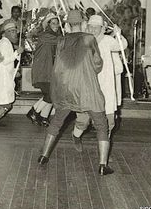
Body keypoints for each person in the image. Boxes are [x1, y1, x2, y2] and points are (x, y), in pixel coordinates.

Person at [37, 14, 114, 176]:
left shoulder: (61, 41)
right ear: (83, 23)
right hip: (87, 91)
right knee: (101, 125)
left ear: (67, 25)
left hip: (65, 90)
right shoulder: (89, 39)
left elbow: (59, 65)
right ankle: (102, 165)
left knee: (57, 122)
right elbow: (98, 65)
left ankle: (43, 156)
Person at [72, 15, 128, 146]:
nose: (93, 30)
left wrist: (118, 34)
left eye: (96, 27)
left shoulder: (108, 40)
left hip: (106, 86)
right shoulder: (83, 41)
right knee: (83, 119)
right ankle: (76, 136)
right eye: (90, 27)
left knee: (109, 120)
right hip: (88, 85)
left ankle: (104, 147)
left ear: (102, 29)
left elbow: (122, 46)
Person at [26, 12, 62, 127]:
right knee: (51, 95)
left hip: (48, 70)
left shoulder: (53, 36)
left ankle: (43, 117)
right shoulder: (46, 36)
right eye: (53, 23)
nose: (56, 26)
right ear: (48, 25)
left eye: (57, 24)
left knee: (51, 94)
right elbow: (62, 41)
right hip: (42, 70)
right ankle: (34, 112)